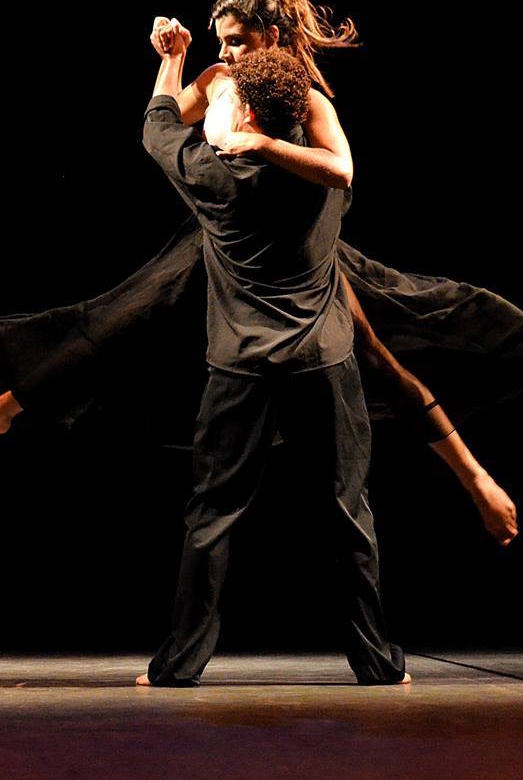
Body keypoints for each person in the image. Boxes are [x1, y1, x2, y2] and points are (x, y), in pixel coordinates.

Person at [0, 0, 523, 547]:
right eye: (221, 41)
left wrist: (257, 142)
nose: (226, 52)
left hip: (303, 257)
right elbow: (164, 122)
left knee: (383, 350)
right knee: (127, 316)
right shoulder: (217, 78)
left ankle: (477, 479)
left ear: (272, 37)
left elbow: (339, 171)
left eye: (236, 41)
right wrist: (174, 61)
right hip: (227, 240)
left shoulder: (305, 98)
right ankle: (7, 407)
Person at [136, 36, 407, 686]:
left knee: (213, 512)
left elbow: (158, 125)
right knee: (347, 509)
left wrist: (172, 60)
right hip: (323, 358)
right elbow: (337, 161)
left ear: (250, 115)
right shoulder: (322, 178)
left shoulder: (210, 174)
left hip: (241, 365)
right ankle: (376, 662)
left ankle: (179, 665)